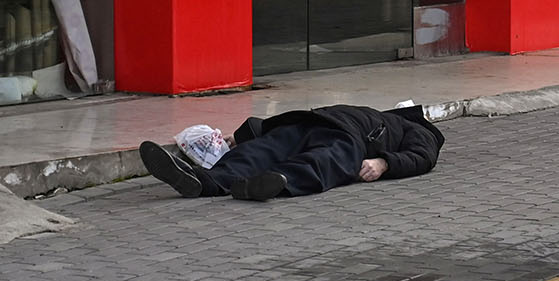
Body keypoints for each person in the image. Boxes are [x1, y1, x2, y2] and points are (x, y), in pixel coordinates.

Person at [139, 103, 444, 202]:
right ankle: (205, 181)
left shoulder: (417, 128)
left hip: (352, 141)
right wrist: (246, 135)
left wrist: (383, 163)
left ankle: (274, 181)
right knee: (259, 150)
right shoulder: (376, 113)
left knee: (322, 161)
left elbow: (423, 157)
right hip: (314, 123)